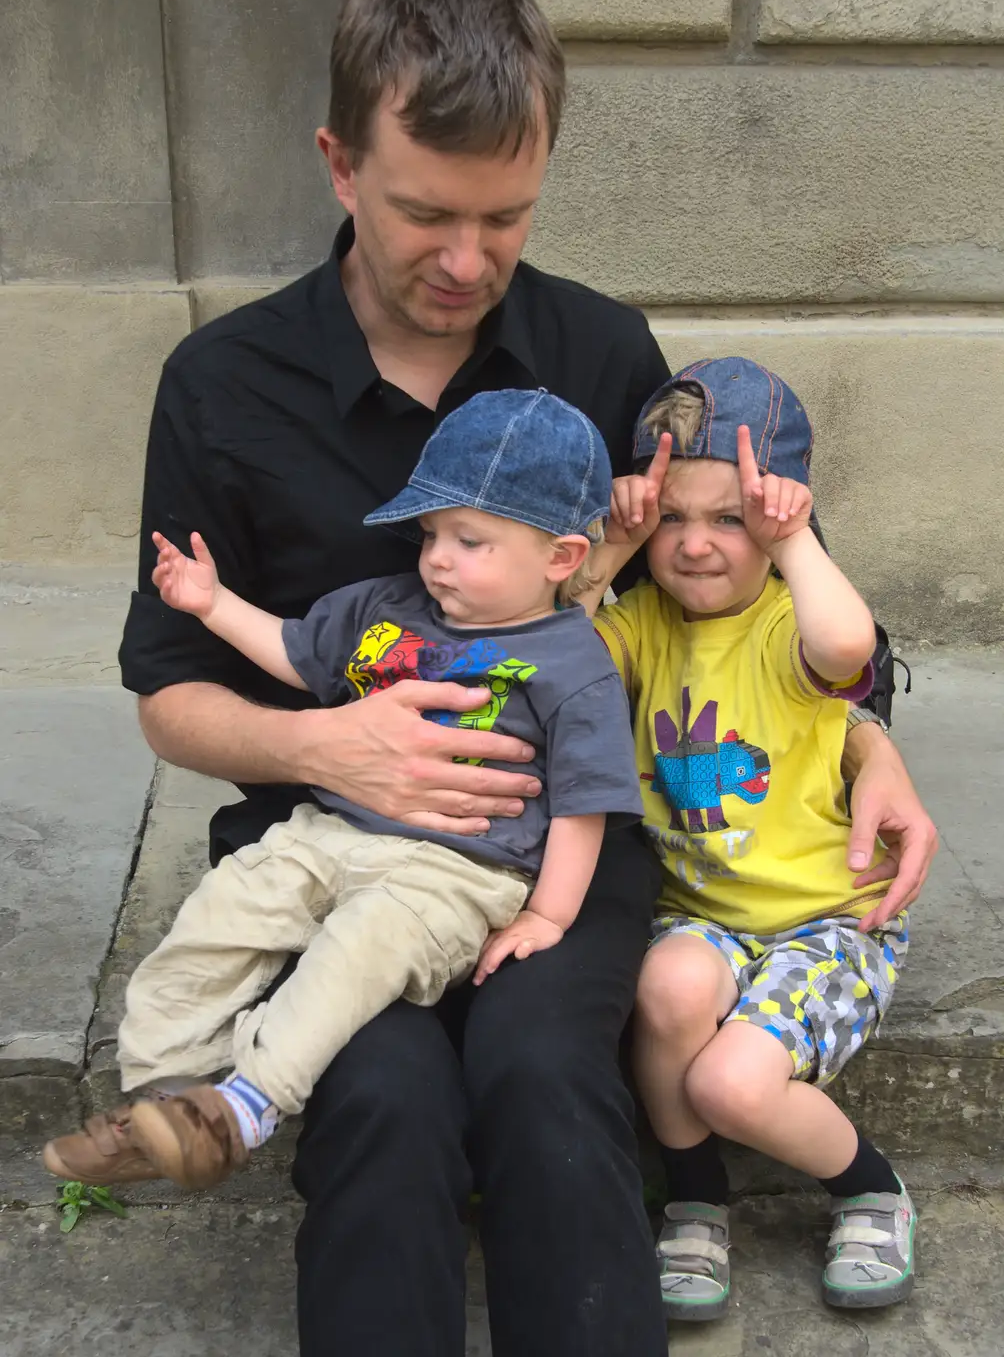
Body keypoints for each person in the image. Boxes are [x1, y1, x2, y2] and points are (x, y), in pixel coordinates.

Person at [52, 0, 937, 1357]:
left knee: (543, 1086)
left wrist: (873, 740)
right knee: (381, 1104)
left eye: (506, 218)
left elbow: (734, 591)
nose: (466, 261)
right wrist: (328, 741)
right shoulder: (223, 388)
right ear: (338, 164)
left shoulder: (601, 354)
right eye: (423, 216)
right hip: (327, 854)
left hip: (565, 857)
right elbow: (168, 696)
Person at [43, 389, 644, 1189]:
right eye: (431, 533)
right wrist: (212, 603)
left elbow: (585, 800)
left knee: (357, 952)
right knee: (225, 908)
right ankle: (164, 1097)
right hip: (330, 829)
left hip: (460, 872)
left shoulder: (574, 664)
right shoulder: (387, 606)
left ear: (561, 558)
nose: (437, 558)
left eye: (471, 540)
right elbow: (297, 654)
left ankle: (249, 1104)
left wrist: (547, 912)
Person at [578, 357, 916, 1321]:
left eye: (730, 519)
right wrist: (608, 553)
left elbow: (849, 647)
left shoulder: (785, 625)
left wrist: (795, 542)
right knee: (666, 988)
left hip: (829, 922)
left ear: (780, 519)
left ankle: (871, 1190)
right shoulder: (639, 624)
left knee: (730, 1084)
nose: (693, 546)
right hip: (707, 919)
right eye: (671, 517)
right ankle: (696, 1203)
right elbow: (547, 658)